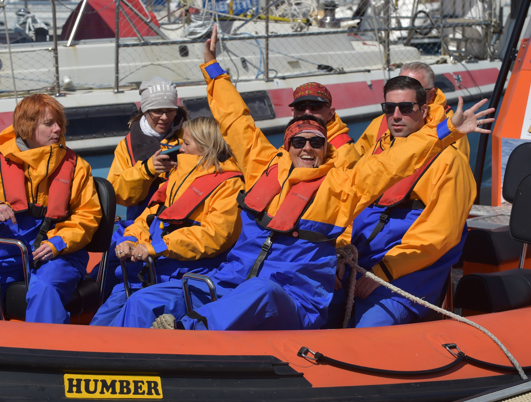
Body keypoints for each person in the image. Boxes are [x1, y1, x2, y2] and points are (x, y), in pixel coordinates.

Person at [109, 26, 493, 331]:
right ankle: (105, 366)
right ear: (286, 142)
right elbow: (236, 122)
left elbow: (392, 166)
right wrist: (212, 67)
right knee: (144, 301)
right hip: (234, 279)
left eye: (316, 141)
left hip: (293, 297)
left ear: (327, 148)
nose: (306, 148)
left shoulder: (340, 184)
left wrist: (443, 133)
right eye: (298, 140)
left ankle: (187, 335)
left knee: (260, 292)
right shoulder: (265, 167)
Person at [333, 75, 476, 328]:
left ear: (423, 110)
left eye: (406, 108)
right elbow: (346, 206)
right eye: (389, 108)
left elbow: (439, 234)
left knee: (369, 327)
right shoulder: (377, 153)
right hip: (358, 261)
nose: (396, 115)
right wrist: (339, 253)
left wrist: (383, 273)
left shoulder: (449, 162)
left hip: (407, 275)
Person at [0, 94, 101, 324]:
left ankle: (48, 355)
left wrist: (58, 242)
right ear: (27, 127)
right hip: (6, 257)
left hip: (58, 257)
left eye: (59, 123)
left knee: (43, 289)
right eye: (49, 123)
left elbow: (88, 216)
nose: (58, 129)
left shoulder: (78, 168)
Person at [90, 116, 244, 326]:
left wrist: (158, 247)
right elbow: (149, 217)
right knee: (105, 316)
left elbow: (215, 235)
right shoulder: (178, 176)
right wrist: (130, 238)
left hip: (185, 273)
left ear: (205, 146)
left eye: (186, 143)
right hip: (151, 269)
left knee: (138, 305)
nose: (180, 149)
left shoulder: (230, 185)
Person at [89, 76, 188, 294]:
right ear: (145, 110)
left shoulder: (190, 138)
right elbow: (118, 193)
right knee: (105, 274)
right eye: (157, 111)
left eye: (170, 111)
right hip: (139, 223)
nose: (164, 117)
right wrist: (147, 170)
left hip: (177, 225)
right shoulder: (127, 146)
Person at [354, 62, 471, 159]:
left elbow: (454, 169)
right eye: (401, 85)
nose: (396, 115)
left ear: (431, 95)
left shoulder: (451, 126)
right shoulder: (382, 122)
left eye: (415, 88)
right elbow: (355, 159)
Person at [289, 82, 354, 149]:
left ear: (330, 113)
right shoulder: (289, 141)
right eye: (300, 107)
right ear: (293, 113)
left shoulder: (343, 147)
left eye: (315, 106)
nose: (307, 112)